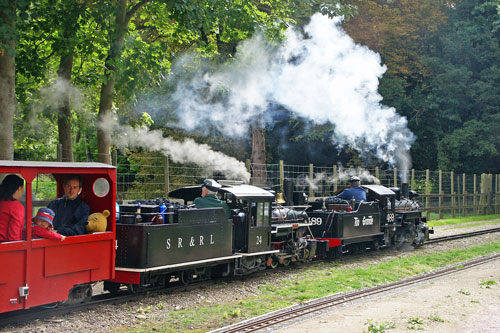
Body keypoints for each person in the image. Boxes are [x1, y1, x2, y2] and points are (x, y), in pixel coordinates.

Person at [0, 174, 25, 242]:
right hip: (5, 245)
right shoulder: (16, 207)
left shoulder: (2, 201)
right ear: (19, 188)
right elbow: (13, 235)